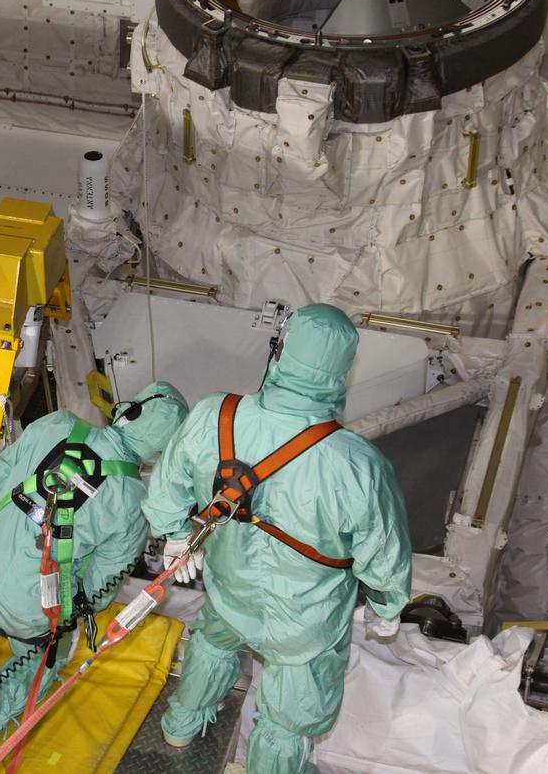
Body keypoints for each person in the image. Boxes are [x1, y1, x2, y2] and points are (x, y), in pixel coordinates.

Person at [142, 303, 412, 774]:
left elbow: (166, 488)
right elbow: (383, 550)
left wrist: (172, 536)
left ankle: (180, 727)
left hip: (229, 587)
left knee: (212, 644)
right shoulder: (358, 463)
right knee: (289, 720)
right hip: (306, 621)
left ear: (281, 350)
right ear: (341, 372)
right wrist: (388, 608)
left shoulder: (214, 414)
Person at [0, 382, 189, 774]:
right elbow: (99, 590)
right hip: (31, 608)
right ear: (161, 452)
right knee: (44, 658)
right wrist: (72, 612)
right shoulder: (131, 503)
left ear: (129, 411)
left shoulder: (55, 423)